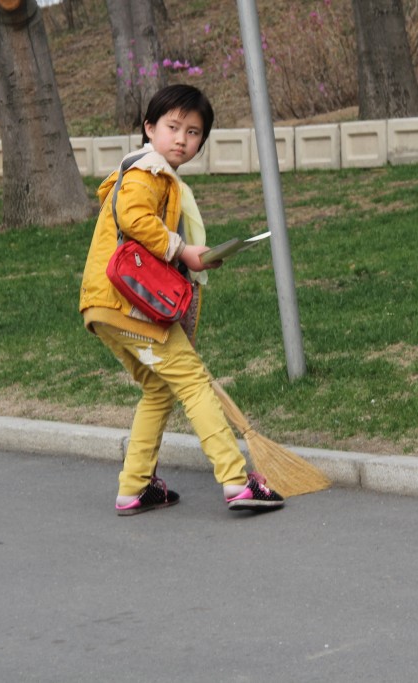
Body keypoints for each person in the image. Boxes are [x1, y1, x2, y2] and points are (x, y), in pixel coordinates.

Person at [79, 84, 284, 516]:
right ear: (149, 128)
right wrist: (182, 250)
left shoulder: (156, 176)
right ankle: (237, 481)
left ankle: (134, 489)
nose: (181, 139)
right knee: (192, 382)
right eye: (172, 127)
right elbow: (135, 218)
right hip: (128, 305)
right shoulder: (147, 173)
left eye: (193, 133)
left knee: (158, 389)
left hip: (106, 306)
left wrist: (191, 257)